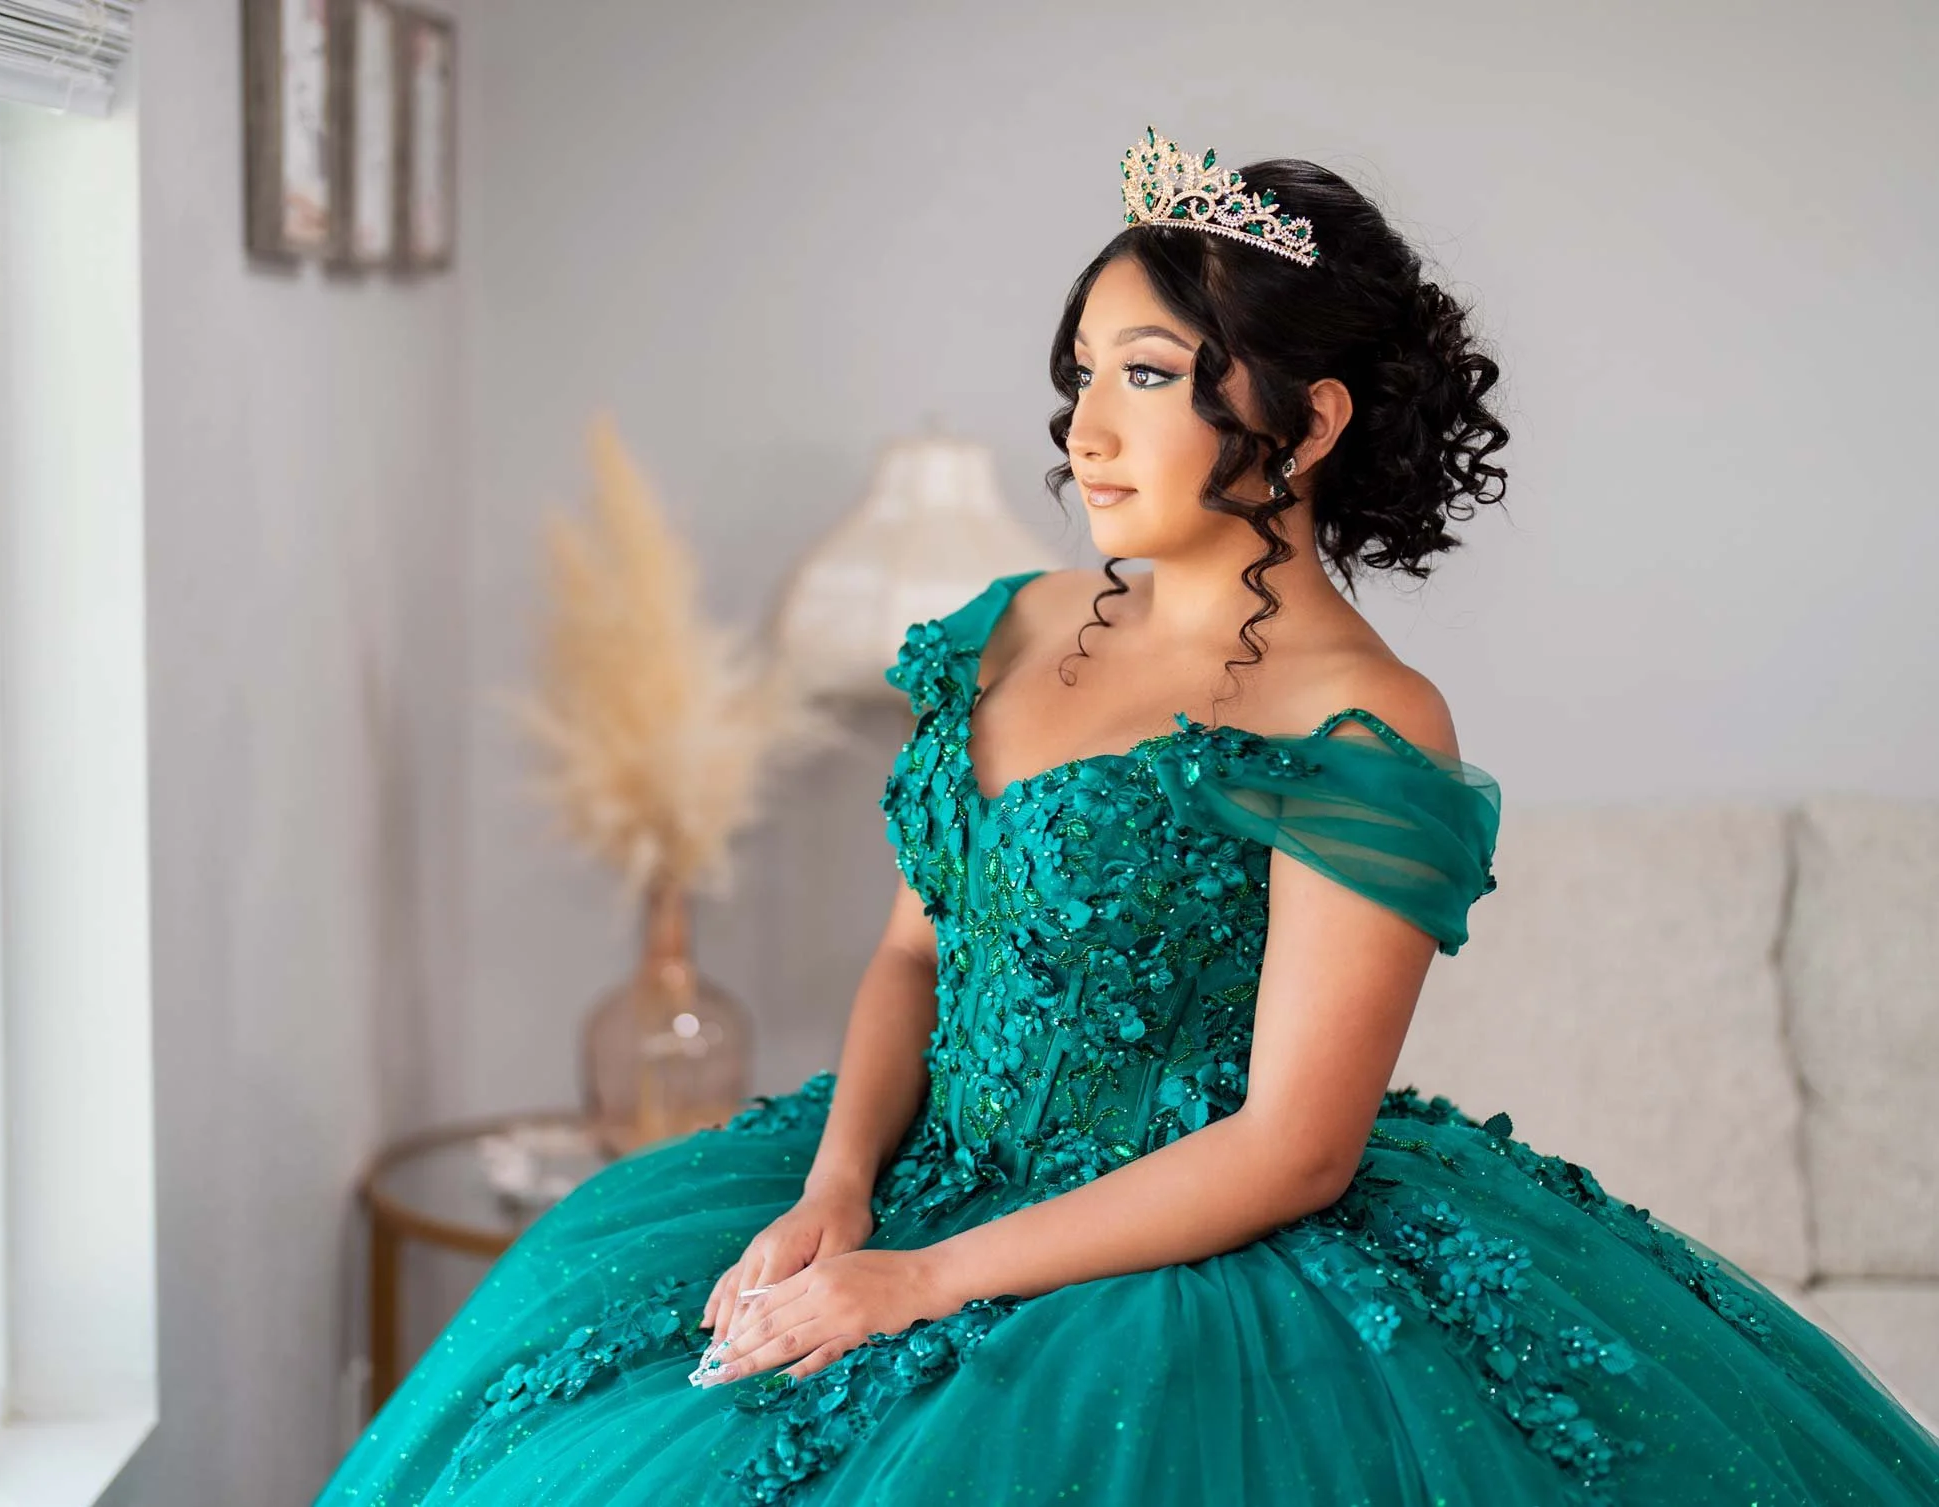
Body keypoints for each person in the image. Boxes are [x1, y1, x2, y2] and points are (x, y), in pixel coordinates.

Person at [315, 128, 1939, 1505]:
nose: (1085, 429)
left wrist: (920, 1282)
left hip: (1183, 1256)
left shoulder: (1362, 723)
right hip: (909, 1178)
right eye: (1080, 374)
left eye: (1150, 377)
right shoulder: (1008, 628)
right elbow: (908, 959)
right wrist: (834, 1193)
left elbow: (1296, 1146)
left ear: (1306, 425)